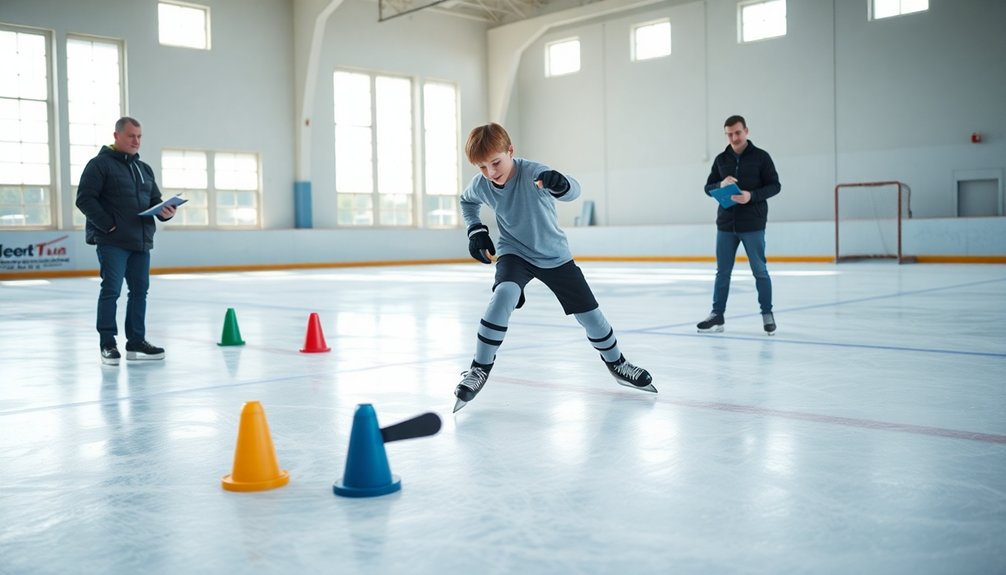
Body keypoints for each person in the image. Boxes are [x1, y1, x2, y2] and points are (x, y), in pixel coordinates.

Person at [453, 122, 654, 412]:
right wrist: (476, 230)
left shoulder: (533, 172)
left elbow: (574, 190)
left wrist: (560, 183)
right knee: (503, 295)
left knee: (591, 316)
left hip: (554, 256)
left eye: (495, 162)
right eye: (482, 167)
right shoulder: (482, 184)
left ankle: (618, 363)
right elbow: (466, 201)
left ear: (511, 151)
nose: (490, 172)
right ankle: (479, 368)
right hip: (515, 253)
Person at [76, 116, 176, 365]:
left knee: (140, 292)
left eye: (139, 136)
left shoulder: (144, 169)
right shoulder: (99, 165)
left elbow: (155, 201)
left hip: (140, 241)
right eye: (131, 136)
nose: (136, 141)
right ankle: (108, 344)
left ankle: (136, 342)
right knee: (111, 291)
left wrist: (166, 211)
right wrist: (109, 225)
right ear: (116, 136)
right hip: (112, 241)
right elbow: (85, 199)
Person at [697, 115, 781, 335]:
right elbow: (708, 187)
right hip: (726, 225)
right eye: (729, 134)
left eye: (737, 132)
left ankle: (767, 314)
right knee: (722, 272)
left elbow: (775, 186)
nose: (733, 137)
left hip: (752, 224)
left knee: (760, 271)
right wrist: (720, 183)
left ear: (746, 131)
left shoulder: (761, 157)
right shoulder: (721, 159)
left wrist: (751, 196)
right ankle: (717, 315)